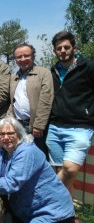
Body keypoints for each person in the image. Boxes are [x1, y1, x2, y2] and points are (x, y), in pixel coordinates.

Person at [0, 117, 75, 223]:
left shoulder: (27, 151)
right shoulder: (0, 150)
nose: (6, 137)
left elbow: (12, 183)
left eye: (10, 133)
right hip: (26, 212)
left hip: (51, 212)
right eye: (2, 134)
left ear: (19, 134)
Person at [46, 31, 94, 195]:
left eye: (66, 47)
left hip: (80, 128)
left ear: (74, 48)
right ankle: (67, 214)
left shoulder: (88, 67)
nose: (63, 50)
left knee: (69, 170)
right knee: (62, 172)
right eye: (59, 48)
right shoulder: (52, 71)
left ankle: (48, 196)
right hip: (54, 128)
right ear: (55, 51)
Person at [9, 43, 53, 157]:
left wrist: (39, 124)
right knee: (20, 156)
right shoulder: (14, 77)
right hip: (18, 124)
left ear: (33, 56)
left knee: (38, 156)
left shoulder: (43, 73)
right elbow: (12, 102)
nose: (22, 59)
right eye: (19, 57)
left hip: (35, 126)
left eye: (26, 55)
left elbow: (46, 100)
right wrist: (9, 121)